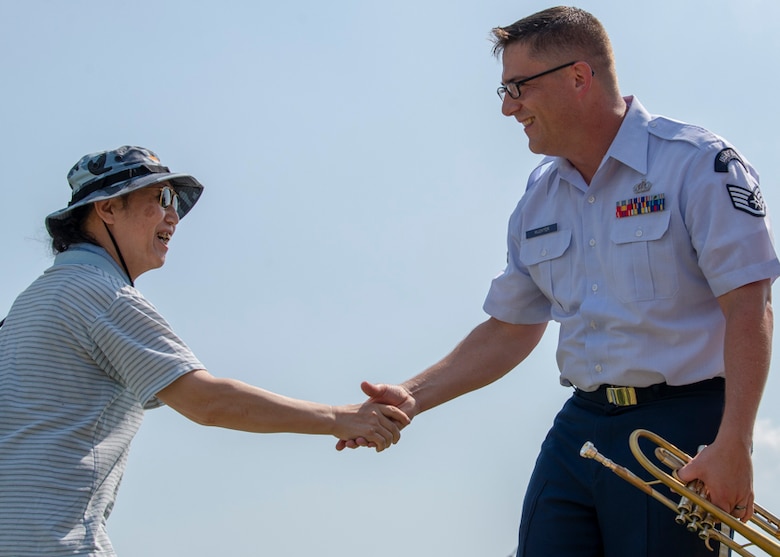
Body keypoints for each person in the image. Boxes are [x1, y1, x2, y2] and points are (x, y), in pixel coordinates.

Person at [337, 6, 779, 556]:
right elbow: (510, 327)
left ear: (578, 77)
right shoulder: (538, 197)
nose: (507, 107)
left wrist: (735, 440)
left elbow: (749, 305)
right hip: (582, 426)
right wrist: (410, 397)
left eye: (518, 87)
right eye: (503, 91)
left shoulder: (697, 164)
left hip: (681, 429)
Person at [0, 145, 410, 557]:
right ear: (107, 209)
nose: (174, 216)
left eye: (175, 202)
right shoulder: (103, 295)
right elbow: (208, 402)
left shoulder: (29, 304)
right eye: (160, 199)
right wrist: (341, 419)